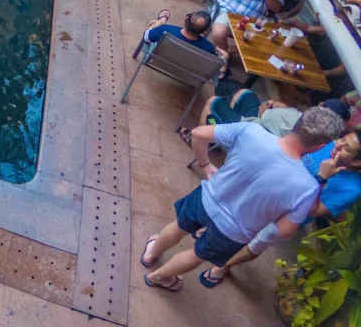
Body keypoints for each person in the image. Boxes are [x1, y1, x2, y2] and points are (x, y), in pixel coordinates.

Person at [141, 106, 343, 293]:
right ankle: (158, 277)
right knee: (196, 254)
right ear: (320, 146)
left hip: (207, 198)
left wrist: (205, 164)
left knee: (178, 226)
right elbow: (286, 230)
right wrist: (320, 179)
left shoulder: (250, 131)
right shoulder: (307, 188)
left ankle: (151, 255)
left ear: (298, 122)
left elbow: (198, 134)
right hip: (234, 232)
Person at [204, 130, 361, 287]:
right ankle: (212, 233)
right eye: (342, 139)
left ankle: (224, 266)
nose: (338, 145)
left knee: (257, 242)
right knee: (238, 216)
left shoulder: (352, 188)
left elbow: (314, 211)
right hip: (269, 195)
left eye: (347, 148)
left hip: (288, 217)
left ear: (357, 162)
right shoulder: (328, 145)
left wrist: (322, 178)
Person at [200, 90, 349, 138]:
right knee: (244, 94)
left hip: (248, 132)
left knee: (214, 100)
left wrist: (266, 104)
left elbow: (264, 113)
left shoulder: (295, 116)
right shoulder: (318, 142)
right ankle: (221, 134)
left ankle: (209, 137)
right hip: (259, 135)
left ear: (320, 105)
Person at [143, 9, 219, 54]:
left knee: (155, 30)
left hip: (158, 60)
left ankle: (161, 21)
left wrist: (160, 24)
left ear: (186, 19)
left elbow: (146, 38)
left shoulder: (165, 30)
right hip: (185, 73)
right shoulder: (209, 48)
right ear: (204, 31)